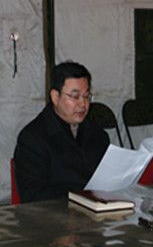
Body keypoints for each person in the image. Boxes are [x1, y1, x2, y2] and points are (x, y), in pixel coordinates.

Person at [13, 61, 109, 202]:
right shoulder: (32, 139)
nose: (83, 104)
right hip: (58, 212)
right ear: (55, 97)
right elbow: (33, 196)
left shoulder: (98, 134)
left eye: (86, 96)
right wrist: (82, 196)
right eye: (75, 96)